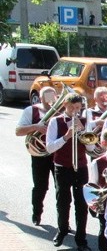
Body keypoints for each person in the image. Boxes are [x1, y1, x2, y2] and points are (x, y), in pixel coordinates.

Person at [45, 93, 90, 251]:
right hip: (62, 167)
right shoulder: (55, 122)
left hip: (81, 167)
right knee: (63, 202)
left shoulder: (84, 121)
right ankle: (62, 230)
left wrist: (83, 132)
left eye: (78, 108)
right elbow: (49, 148)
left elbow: (91, 149)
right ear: (65, 105)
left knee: (82, 205)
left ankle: (81, 239)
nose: (75, 112)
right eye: (72, 108)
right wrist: (66, 137)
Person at [16, 86, 56, 226]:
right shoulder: (31, 110)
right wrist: (36, 127)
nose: (51, 99)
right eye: (48, 96)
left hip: (57, 154)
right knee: (41, 186)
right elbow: (18, 131)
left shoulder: (60, 112)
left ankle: (63, 221)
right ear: (41, 97)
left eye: (54, 96)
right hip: (39, 154)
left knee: (61, 189)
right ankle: (37, 213)